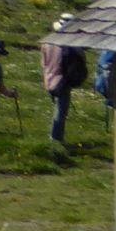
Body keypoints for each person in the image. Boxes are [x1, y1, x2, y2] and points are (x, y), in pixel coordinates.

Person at [40, 15, 87, 145]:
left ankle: (55, 137)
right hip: (62, 81)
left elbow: (43, 63)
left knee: (56, 108)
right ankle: (56, 139)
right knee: (61, 111)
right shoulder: (68, 46)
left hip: (48, 79)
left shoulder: (47, 42)